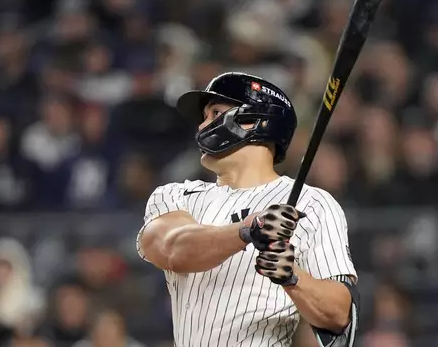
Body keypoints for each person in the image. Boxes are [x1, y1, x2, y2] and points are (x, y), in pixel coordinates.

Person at [136, 72, 358, 347]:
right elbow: (171, 250)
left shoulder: (312, 203)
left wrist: (291, 277)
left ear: (254, 120)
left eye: (215, 113)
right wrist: (248, 231)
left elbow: (338, 314)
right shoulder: (177, 195)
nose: (202, 126)